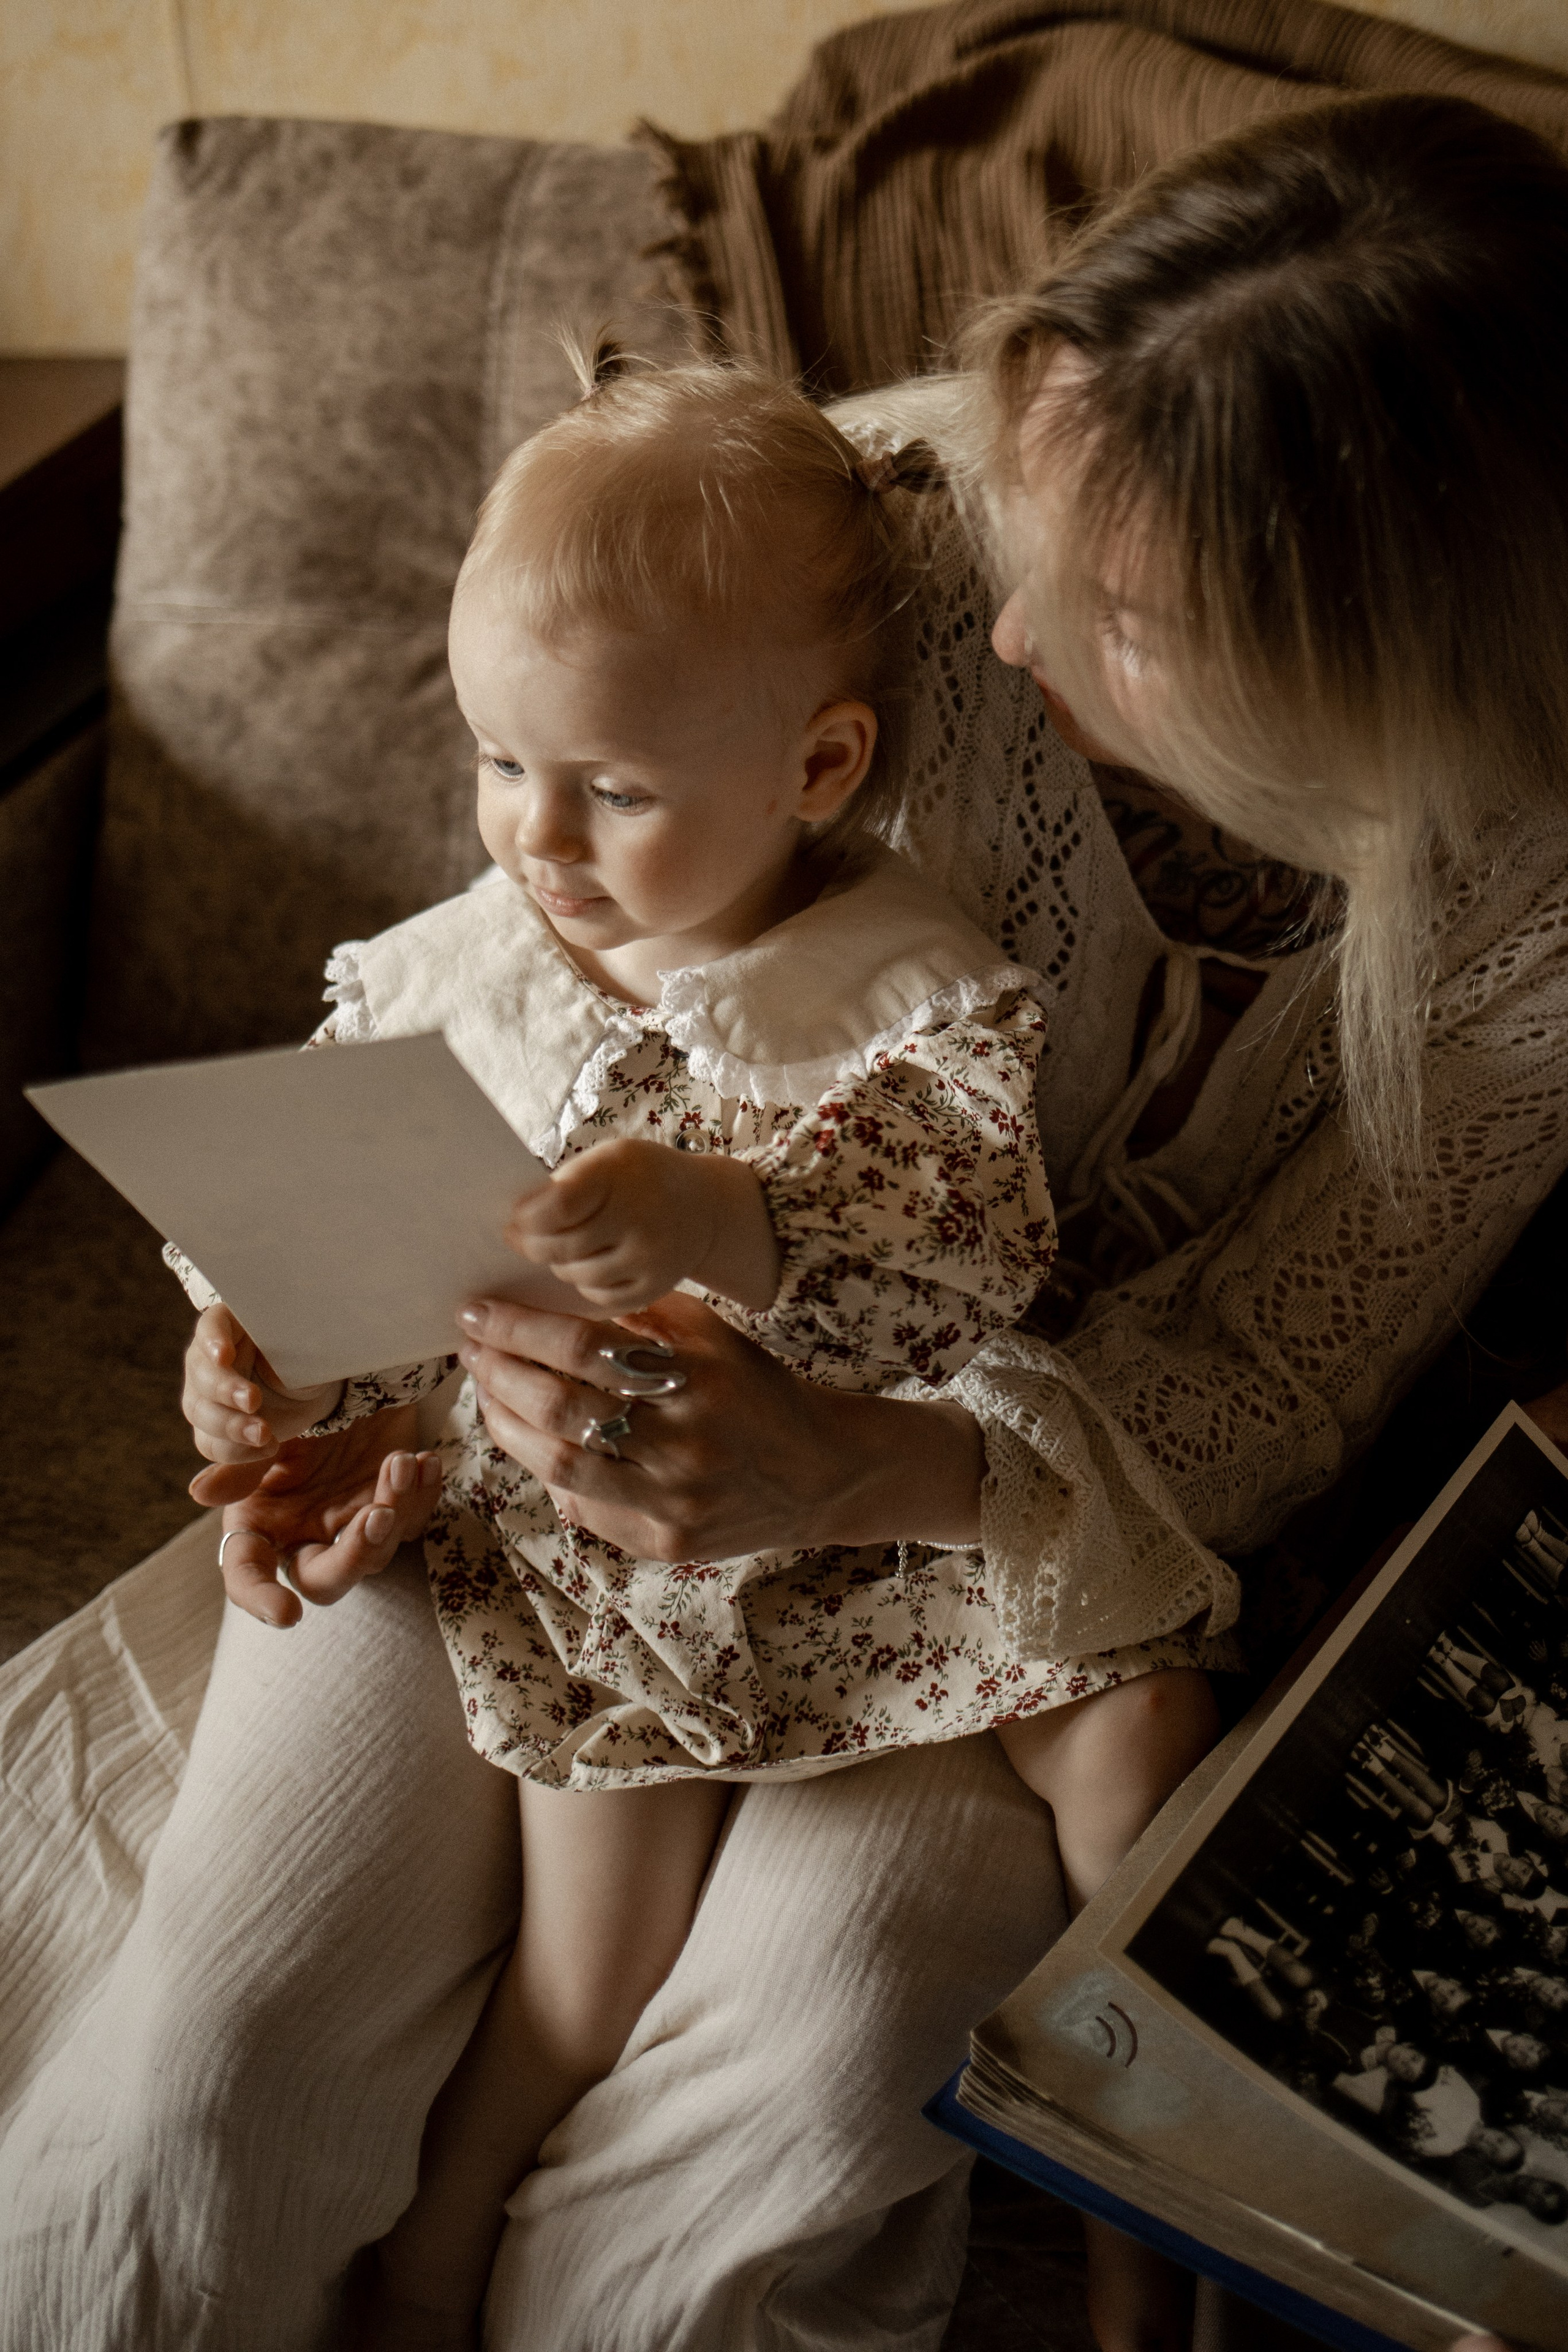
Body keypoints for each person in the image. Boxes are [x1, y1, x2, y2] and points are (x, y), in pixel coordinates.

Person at [8, 87, 1568, 2352]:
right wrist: (326, 1336)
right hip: (536, 1468)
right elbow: (534, 935)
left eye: (1118, 614)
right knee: (203, 2089)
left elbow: (1269, 1379)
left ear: (1358, 689)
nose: (1009, 617)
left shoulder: (1532, 920)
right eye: (1027, 519)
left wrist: (888, 1465)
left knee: (766, 2121)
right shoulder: (896, 521)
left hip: (999, 1553)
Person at [172, 345, 1219, 2346]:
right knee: (589, 1983)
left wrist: (723, 1215)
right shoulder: (446, 979)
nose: (534, 838)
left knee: (1138, 1718)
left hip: (871, 1506)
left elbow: (971, 1251)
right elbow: (333, 1269)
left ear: (815, 770)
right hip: (615, 1551)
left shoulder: (907, 983)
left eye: (613, 789)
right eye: (498, 763)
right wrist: (259, 1370)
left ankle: (1149, 2233)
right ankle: (443, 2240)